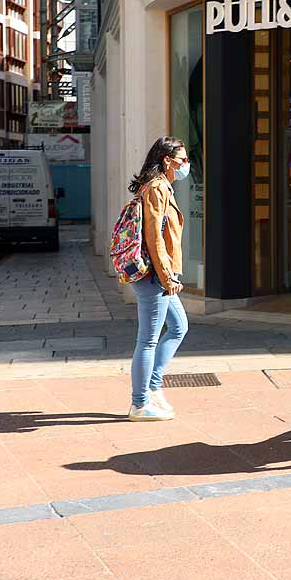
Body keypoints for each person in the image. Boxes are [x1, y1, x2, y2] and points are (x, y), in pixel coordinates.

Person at [126, 136, 190, 422]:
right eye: (183, 160)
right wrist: (167, 277)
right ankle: (139, 404)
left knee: (179, 327)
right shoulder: (156, 188)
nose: (186, 165)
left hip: (160, 274)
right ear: (168, 160)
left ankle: (152, 388)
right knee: (148, 340)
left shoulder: (163, 187)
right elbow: (153, 238)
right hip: (154, 275)